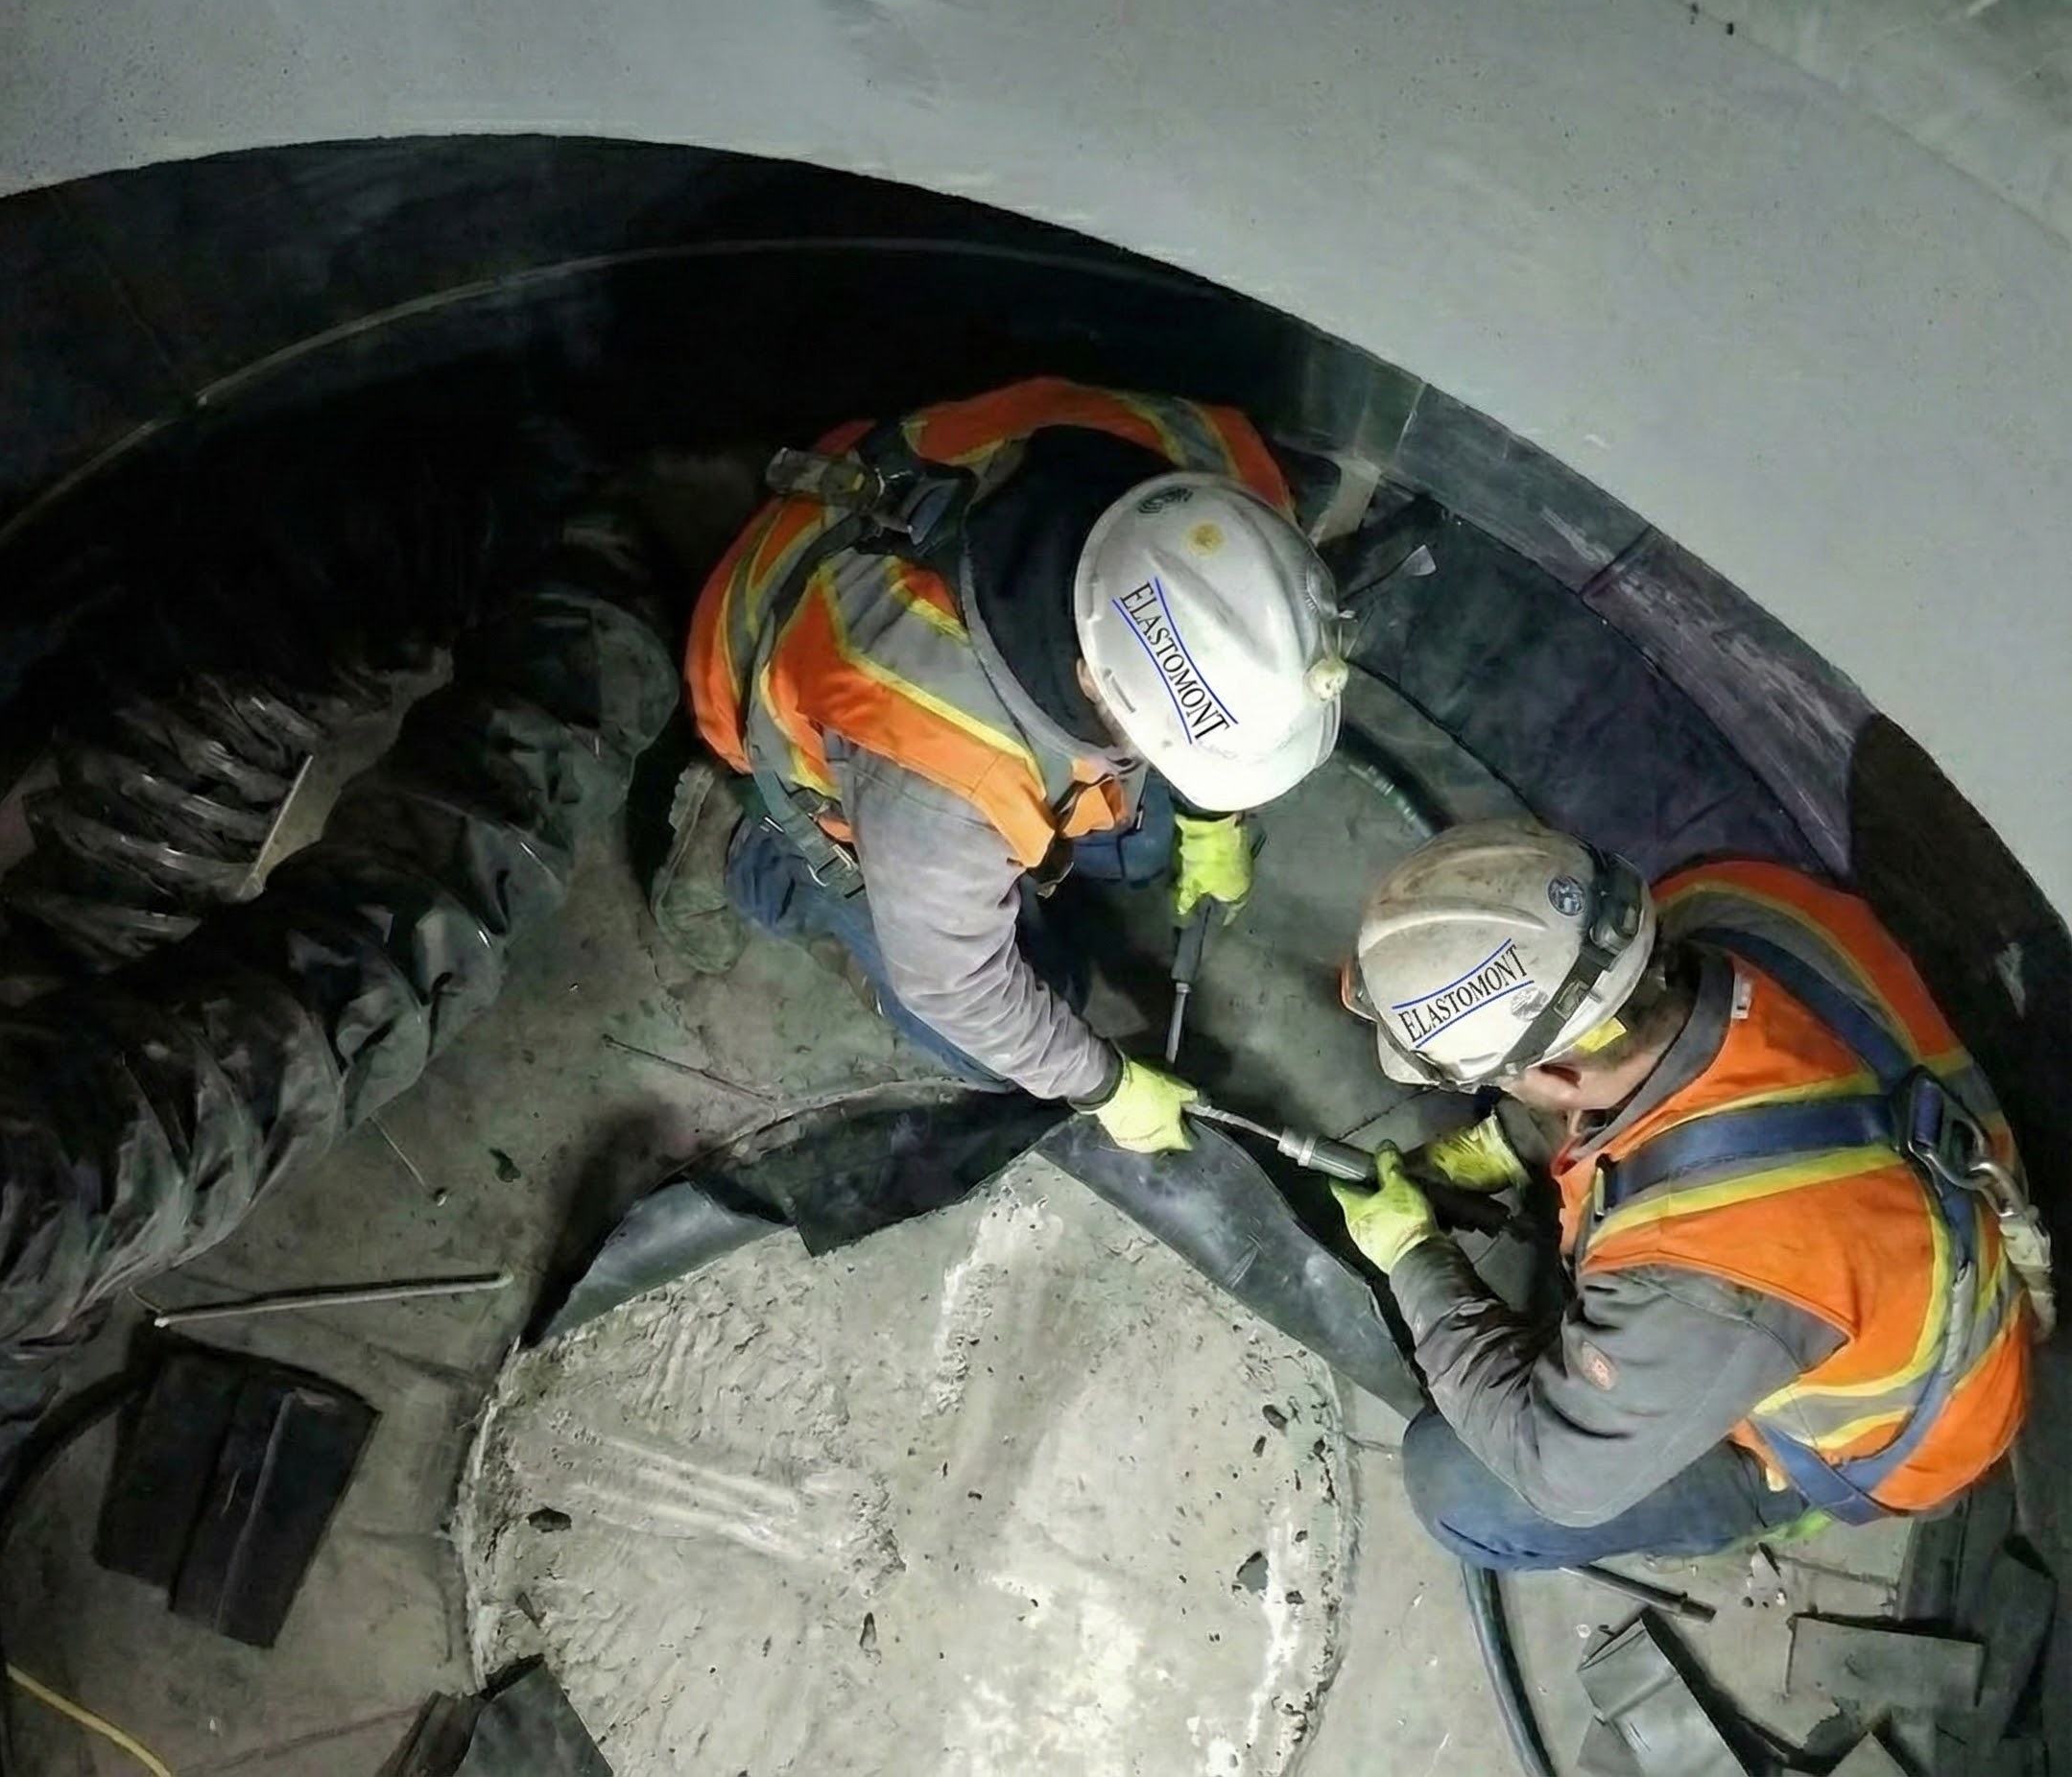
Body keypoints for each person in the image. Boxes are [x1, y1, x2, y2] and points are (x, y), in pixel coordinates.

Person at [1328, 817, 2046, 1567]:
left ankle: (1781, 1502)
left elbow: (1560, 1471)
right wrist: (1508, 1141)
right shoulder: (1722, 898)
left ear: (1562, 1079)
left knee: (1455, 1486)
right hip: (1900, 1219)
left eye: (1492, 1079)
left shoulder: (1709, 1263)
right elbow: (1617, 1050)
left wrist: (1416, 1260)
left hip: (1896, 1440)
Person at [661, 378, 1347, 1149]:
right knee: (1022, 1018)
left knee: (1149, 844)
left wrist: (1214, 815)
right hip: (788, 687)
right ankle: (742, 845)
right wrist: (1105, 1085)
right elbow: (958, 987)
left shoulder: (1225, 516)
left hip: (919, 530)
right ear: (1095, 679)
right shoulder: (939, 768)